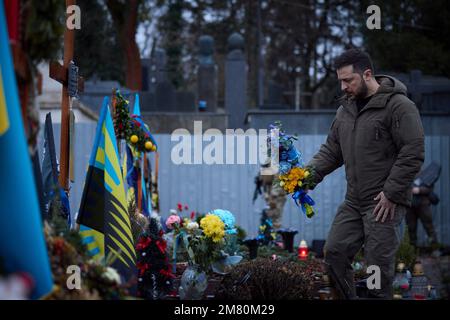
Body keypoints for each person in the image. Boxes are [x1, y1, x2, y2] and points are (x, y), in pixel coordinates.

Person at [306, 48, 425, 299]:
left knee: (376, 272)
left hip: (384, 203)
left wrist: (392, 193)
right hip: (354, 201)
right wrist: (306, 177)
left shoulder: (398, 106)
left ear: (367, 74)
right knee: (335, 253)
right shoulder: (345, 110)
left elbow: (412, 151)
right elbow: (332, 151)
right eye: (340, 80)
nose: (343, 87)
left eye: (348, 80)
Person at [406, 174, 438, 247]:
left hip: (423, 205)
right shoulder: (406, 173)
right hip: (410, 206)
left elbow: (430, 189)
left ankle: (435, 248)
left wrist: (419, 190)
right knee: (410, 228)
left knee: (429, 227)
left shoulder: (425, 175)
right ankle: (412, 250)